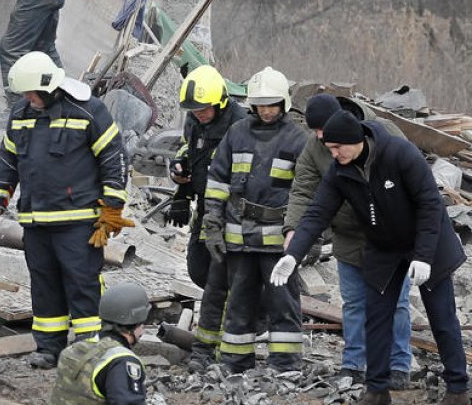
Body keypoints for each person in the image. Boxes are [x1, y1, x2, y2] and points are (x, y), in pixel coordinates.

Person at [273, 111, 468, 405]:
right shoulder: (340, 170)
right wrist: (294, 253)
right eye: (330, 149)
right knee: (376, 316)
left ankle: (457, 388)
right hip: (384, 246)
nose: (334, 154)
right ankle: (377, 389)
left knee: (441, 317)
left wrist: (424, 256)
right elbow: (317, 213)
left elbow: (430, 204)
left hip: (429, 243)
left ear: (356, 141)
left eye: (338, 148)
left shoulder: (399, 154)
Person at [0, 51, 130, 369]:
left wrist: (113, 208)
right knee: (44, 284)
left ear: (48, 87)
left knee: (82, 282)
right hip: (35, 222)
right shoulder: (21, 113)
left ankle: (88, 348)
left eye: (31, 93)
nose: (27, 98)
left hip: (78, 222)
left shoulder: (88, 111)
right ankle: (48, 348)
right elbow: (8, 162)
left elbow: (114, 160)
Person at [284, 94, 412, 388]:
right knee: (354, 304)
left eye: (322, 130)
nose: (319, 137)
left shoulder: (384, 132)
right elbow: (303, 190)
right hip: (348, 237)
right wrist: (293, 229)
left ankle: (399, 366)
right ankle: (353, 364)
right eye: (314, 131)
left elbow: (413, 178)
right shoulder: (315, 146)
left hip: (390, 239)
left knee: (398, 303)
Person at [202, 66, 307, 373]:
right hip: (239, 239)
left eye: (272, 104)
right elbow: (218, 181)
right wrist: (212, 223)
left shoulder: (297, 140)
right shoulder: (237, 133)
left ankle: (285, 365)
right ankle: (235, 362)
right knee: (238, 303)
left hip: (278, 244)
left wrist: (307, 239)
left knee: (283, 304)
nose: (266, 110)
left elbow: (307, 193)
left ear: (284, 104)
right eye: (260, 105)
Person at [167, 65, 247, 369]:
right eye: (193, 110)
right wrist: (181, 188)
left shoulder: (239, 126)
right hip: (204, 207)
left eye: (203, 109)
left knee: (221, 276)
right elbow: (190, 151)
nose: (197, 114)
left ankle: (229, 337)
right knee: (198, 268)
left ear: (221, 102)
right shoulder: (195, 121)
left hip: (231, 212)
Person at [51, 283, 149, 404]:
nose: (143, 329)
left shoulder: (75, 348)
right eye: (142, 323)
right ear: (135, 323)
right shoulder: (122, 361)